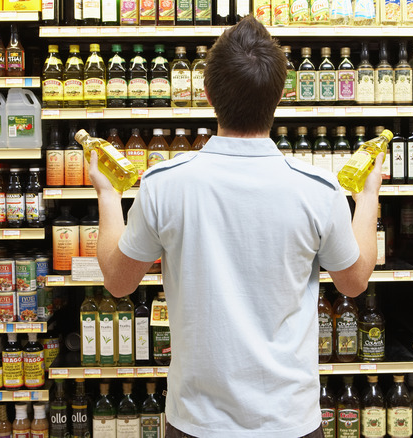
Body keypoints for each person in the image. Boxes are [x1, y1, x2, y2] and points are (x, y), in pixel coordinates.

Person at [89, 16, 382, 438]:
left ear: (208, 94)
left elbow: (118, 282)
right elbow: (354, 283)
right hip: (290, 420)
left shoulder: (165, 183)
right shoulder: (318, 189)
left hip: (196, 422)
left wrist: (107, 195)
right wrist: (368, 196)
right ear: (280, 95)